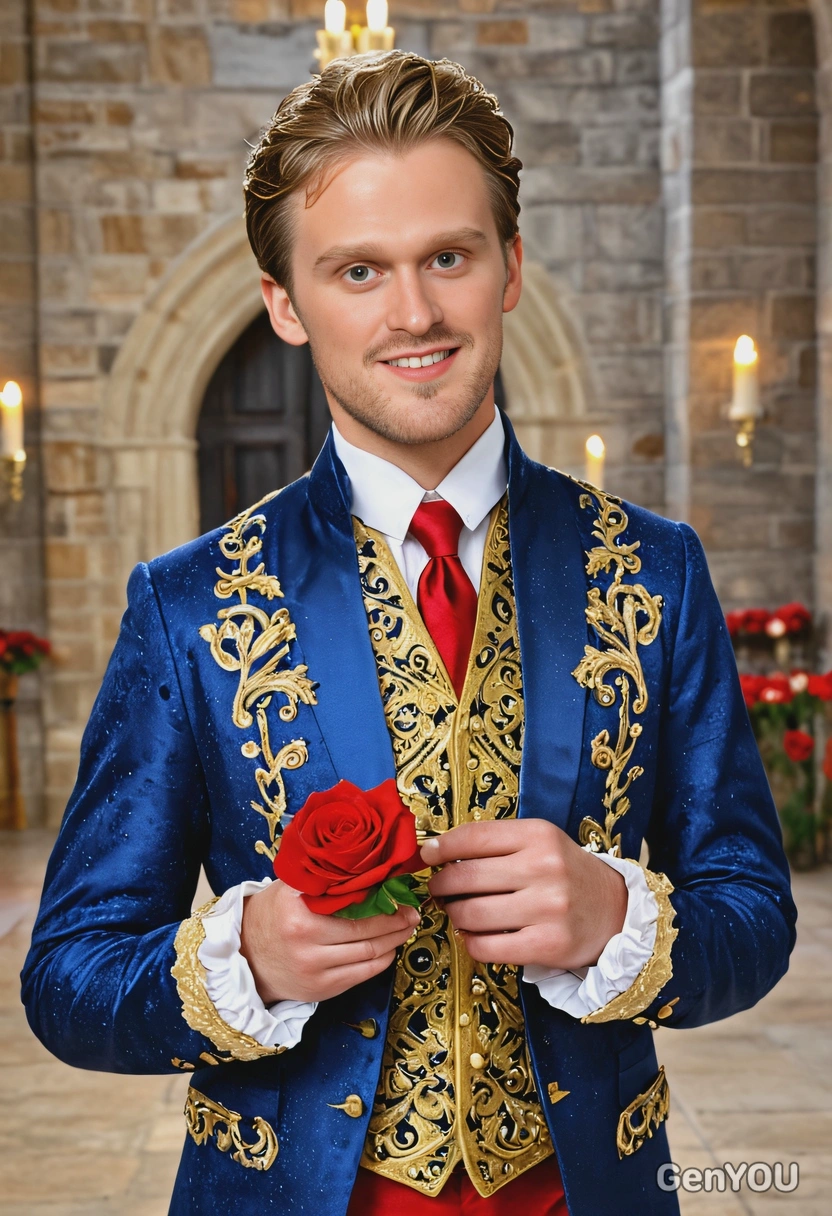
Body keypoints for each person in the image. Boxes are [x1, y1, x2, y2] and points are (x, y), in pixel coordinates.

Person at [22, 51, 795, 1216]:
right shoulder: (187, 604)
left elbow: (753, 910)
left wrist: (614, 918)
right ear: (284, 301)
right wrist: (248, 959)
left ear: (509, 267)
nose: (415, 313)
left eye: (449, 256)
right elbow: (70, 976)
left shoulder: (652, 568)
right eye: (356, 270)